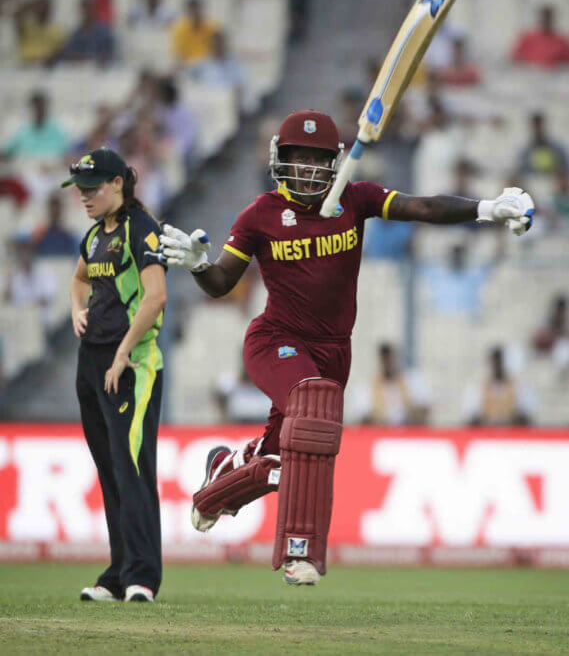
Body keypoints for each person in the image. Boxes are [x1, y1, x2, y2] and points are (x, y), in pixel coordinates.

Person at [159, 110, 534, 587]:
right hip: (276, 342)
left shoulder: (356, 200)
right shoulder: (260, 215)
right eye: (299, 159)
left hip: (334, 352)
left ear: (335, 163)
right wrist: (197, 264)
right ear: (281, 160)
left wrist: (487, 209)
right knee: (313, 412)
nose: (309, 170)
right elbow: (219, 284)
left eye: (319, 160)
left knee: (280, 462)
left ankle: (220, 481)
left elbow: (422, 208)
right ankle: (302, 553)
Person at [65, 148, 167, 602]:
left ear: (119, 184)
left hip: (131, 364)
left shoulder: (140, 229)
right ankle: (119, 573)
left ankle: (142, 576)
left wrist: (124, 352)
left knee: (132, 470)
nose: (84, 196)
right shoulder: (93, 237)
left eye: (93, 187)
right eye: (81, 189)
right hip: (92, 363)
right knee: (110, 471)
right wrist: (75, 310)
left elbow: (156, 296)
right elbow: (79, 280)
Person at [350, 343, 431, 426]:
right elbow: (363, 418)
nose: (388, 362)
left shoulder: (412, 382)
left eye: (390, 358)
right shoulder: (367, 387)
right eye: (385, 358)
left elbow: (424, 410)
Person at [463, 346, 536, 427]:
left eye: (500, 362)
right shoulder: (477, 386)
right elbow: (472, 418)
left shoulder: (520, 386)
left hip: (513, 434)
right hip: (485, 434)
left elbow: (526, 417)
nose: (497, 366)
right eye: (495, 362)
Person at [170, 0, 219, 66]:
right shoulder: (179, 28)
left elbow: (217, 51)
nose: (195, 11)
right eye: (192, 9)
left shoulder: (213, 27)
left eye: (197, 8)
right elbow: (178, 54)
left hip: (209, 65)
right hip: (188, 65)